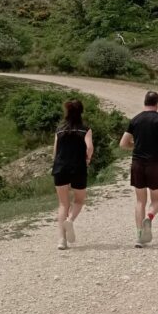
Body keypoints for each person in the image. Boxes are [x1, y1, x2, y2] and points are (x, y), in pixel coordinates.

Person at [119, 90, 158, 248]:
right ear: (157, 103)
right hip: (155, 163)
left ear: (144, 102)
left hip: (137, 163)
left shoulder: (135, 119)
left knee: (140, 201)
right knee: (156, 200)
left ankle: (139, 236)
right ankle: (149, 217)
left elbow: (123, 143)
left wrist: (134, 146)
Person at [51, 99, 93, 251]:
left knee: (63, 203)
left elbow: (55, 152)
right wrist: (87, 160)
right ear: (81, 112)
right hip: (78, 167)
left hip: (60, 167)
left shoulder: (59, 129)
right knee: (79, 200)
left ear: (67, 111)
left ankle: (61, 240)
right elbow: (89, 147)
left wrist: (57, 163)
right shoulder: (85, 129)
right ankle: (70, 220)